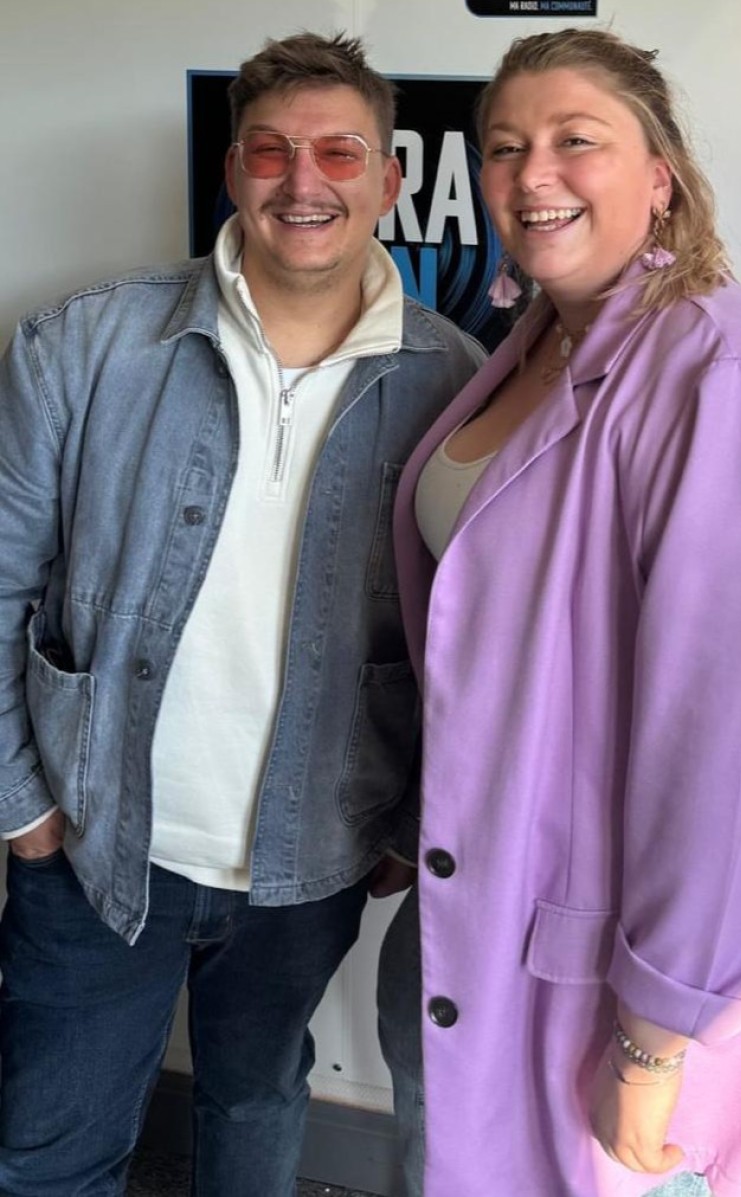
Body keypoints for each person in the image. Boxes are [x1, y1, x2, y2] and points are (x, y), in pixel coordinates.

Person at [377, 26, 741, 1197]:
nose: (530, 174)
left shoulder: (722, 374)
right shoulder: (539, 339)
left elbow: (738, 752)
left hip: (614, 1005)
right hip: (476, 933)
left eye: (574, 140)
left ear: (659, 175)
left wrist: (657, 1037)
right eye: (504, 147)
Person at [0, 31, 483, 1197]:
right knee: (52, 1151)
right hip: (93, 843)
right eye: (269, 152)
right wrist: (23, 807)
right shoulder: (82, 345)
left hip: (310, 865)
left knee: (258, 1103)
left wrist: (402, 821)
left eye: (338, 152)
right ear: (231, 172)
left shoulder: (460, 385)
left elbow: (466, 650)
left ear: (390, 179)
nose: (301, 180)